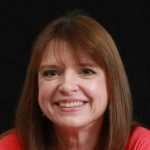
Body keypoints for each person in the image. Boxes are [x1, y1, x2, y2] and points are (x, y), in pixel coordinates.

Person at [0, 10, 150, 150]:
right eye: (51, 73)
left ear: (112, 84)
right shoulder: (10, 146)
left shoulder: (141, 144)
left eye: (86, 71)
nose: (67, 86)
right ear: (36, 86)